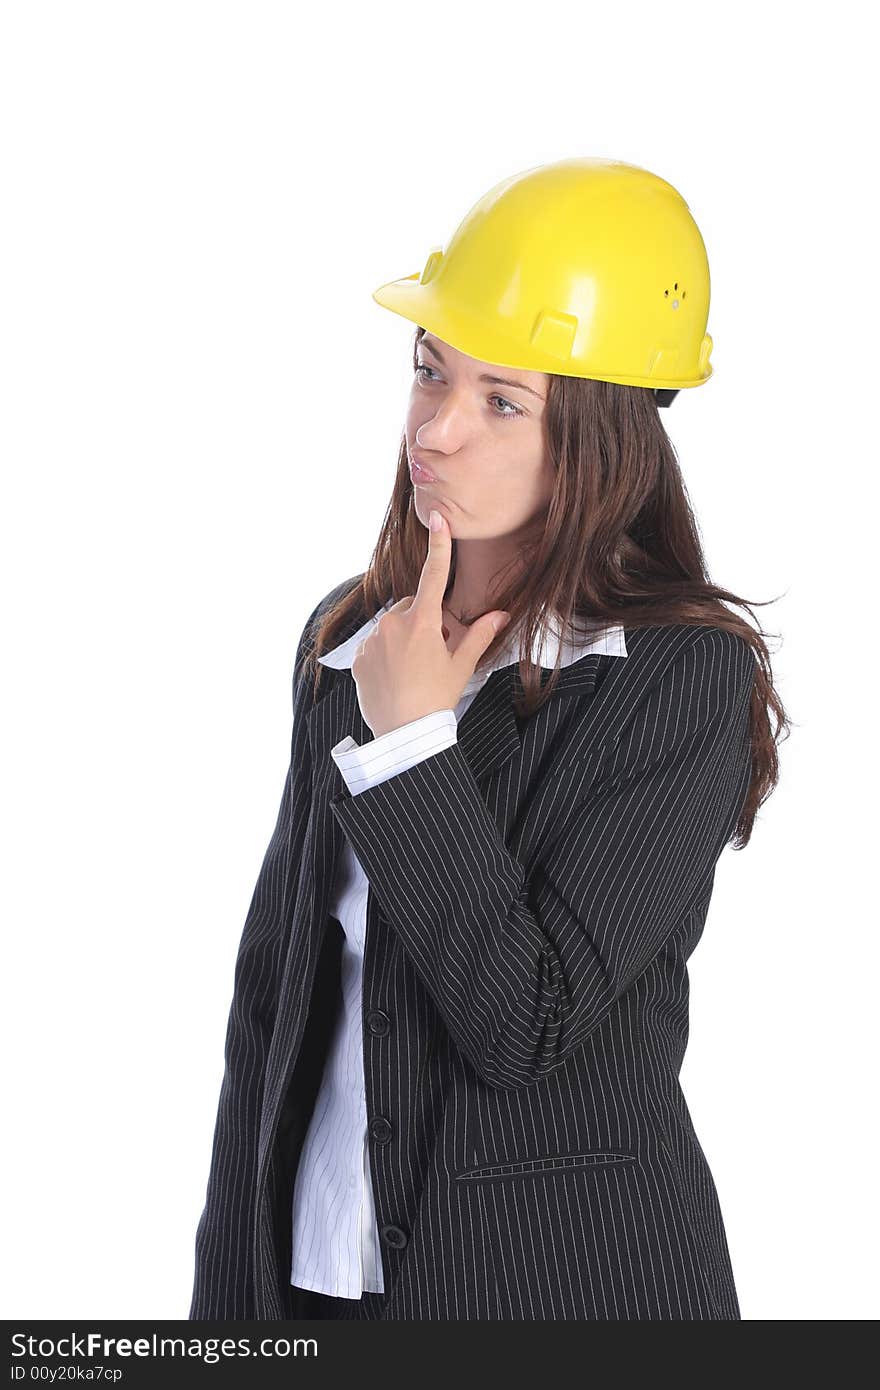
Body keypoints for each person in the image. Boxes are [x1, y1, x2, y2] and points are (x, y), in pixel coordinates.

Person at [189, 157, 788, 1321]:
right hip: (315, 1282)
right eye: (429, 373)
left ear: (604, 435)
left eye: (501, 400)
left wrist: (412, 747)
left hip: (555, 1293)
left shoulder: (675, 675)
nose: (437, 429)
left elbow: (530, 1022)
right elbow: (271, 1006)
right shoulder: (349, 636)